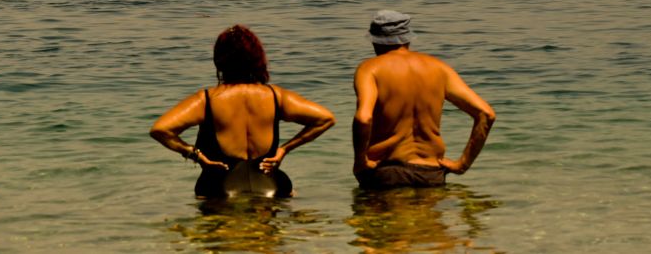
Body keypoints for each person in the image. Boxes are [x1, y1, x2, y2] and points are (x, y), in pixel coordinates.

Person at [151, 25, 336, 198]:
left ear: (219, 61)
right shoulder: (276, 96)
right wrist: (284, 150)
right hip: (272, 184)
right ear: (258, 59)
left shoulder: (206, 100)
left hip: (218, 187)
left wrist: (196, 155)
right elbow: (325, 119)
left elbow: (160, 130)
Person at [353, 10, 496, 189]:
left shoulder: (369, 69)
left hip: (386, 172)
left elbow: (364, 118)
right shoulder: (439, 68)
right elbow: (486, 114)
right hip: (431, 174)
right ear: (408, 38)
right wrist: (462, 164)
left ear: (375, 39)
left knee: (377, 218)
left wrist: (360, 162)